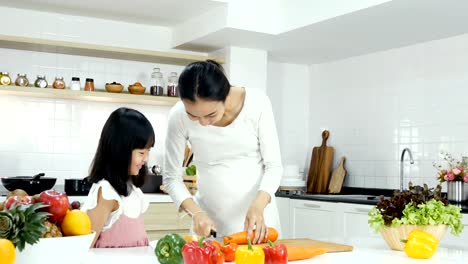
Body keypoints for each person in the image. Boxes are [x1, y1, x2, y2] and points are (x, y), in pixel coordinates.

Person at [163, 60, 283, 244]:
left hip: (257, 226)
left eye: (210, 114)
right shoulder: (178, 116)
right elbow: (171, 178)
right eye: (193, 115)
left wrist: (258, 207)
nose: (202, 123)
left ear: (225, 95)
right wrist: (196, 213)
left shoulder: (257, 103)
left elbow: (274, 166)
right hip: (209, 228)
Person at [81, 107, 155, 248]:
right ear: (120, 152)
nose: (146, 158)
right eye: (141, 152)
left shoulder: (132, 189)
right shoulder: (107, 193)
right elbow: (84, 246)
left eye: (148, 151)